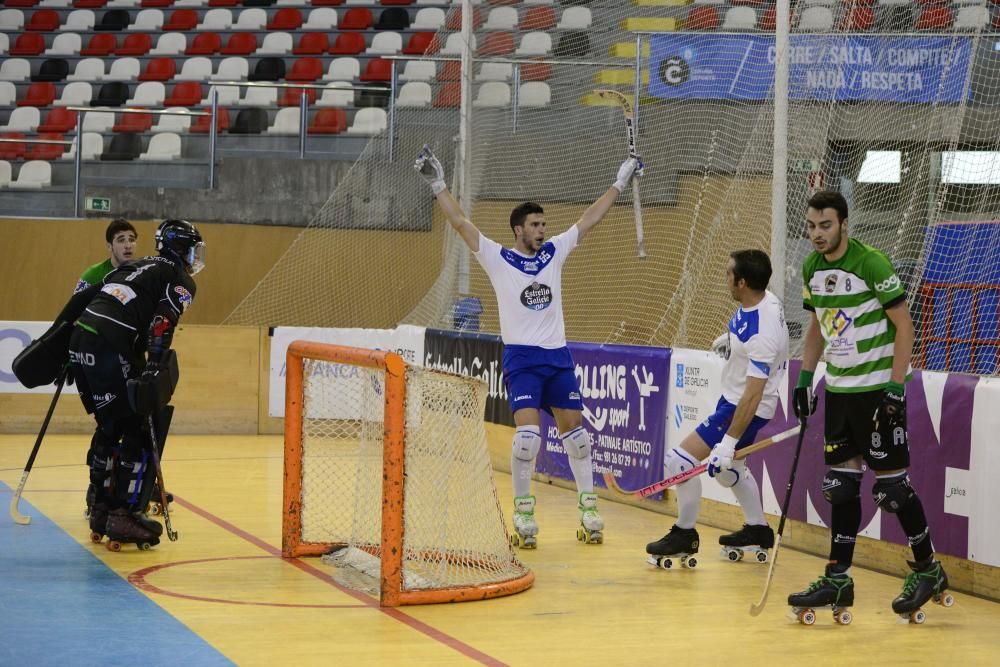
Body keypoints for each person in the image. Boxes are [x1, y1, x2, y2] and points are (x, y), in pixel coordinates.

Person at [414, 144, 643, 548]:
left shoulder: (554, 252)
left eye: (543, 225)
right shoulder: (498, 257)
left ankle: (589, 509)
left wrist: (620, 182)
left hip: (558, 358)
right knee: (527, 440)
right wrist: (439, 185)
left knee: (578, 436)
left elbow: (588, 220)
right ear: (519, 229)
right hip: (521, 359)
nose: (542, 230)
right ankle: (523, 514)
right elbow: (462, 223)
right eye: (535, 225)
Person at [788, 191, 948, 620]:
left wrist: (896, 388)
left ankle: (928, 568)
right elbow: (818, 327)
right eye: (811, 226)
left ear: (843, 223)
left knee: (893, 488)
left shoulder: (871, 263)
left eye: (826, 225)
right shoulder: (811, 268)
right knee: (841, 486)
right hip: (839, 392)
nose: (817, 234)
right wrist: (805, 379)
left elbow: (905, 326)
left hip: (877, 391)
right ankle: (838, 578)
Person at [645, 250, 789, 568]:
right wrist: (733, 345)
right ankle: (758, 530)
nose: (724, 278)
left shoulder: (762, 331)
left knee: (678, 462)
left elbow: (754, 393)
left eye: (728, 274)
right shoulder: (763, 300)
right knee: (731, 471)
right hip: (734, 398)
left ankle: (684, 534)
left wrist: (728, 442)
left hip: (744, 405)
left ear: (742, 282)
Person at [68, 219, 204, 550]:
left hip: (80, 340)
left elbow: (82, 304)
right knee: (137, 424)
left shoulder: (137, 265)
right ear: (179, 249)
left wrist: (63, 353)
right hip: (110, 344)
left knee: (109, 423)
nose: (194, 256)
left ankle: (99, 508)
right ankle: (122, 513)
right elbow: (162, 322)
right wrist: (154, 367)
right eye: (192, 248)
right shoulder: (179, 278)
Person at [74, 218, 138, 294]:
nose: (128, 246)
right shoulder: (93, 275)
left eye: (131, 240)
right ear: (109, 246)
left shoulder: (142, 273)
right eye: (121, 240)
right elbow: (76, 305)